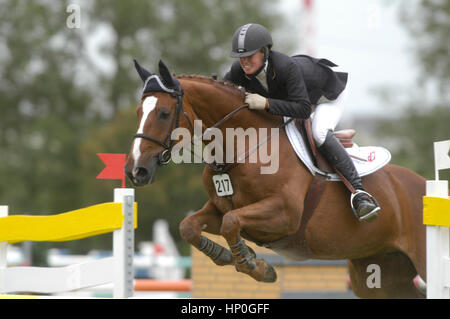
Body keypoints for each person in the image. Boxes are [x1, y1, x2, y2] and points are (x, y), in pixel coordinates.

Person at [223, 23, 380, 222]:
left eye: (249, 56)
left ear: (264, 52)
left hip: (326, 96)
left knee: (319, 133)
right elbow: (223, 91)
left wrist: (267, 103)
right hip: (297, 98)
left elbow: (303, 109)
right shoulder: (239, 70)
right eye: (240, 57)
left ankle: (360, 194)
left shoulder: (285, 67)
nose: (244, 62)